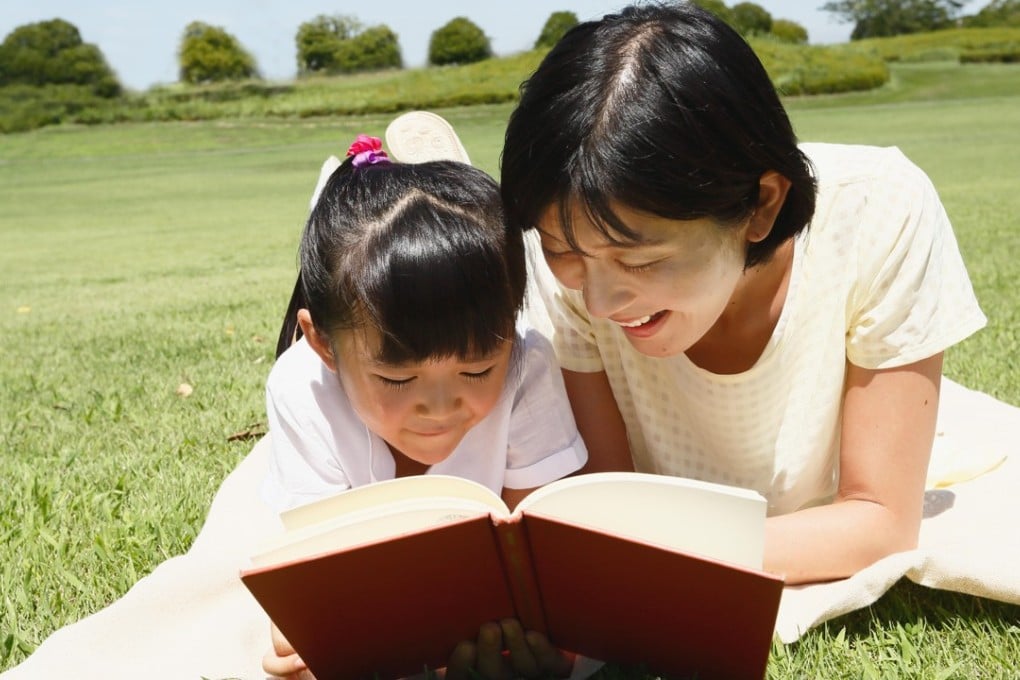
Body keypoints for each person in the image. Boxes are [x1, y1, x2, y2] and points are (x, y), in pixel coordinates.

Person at [500, 2, 987, 586]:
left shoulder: (878, 212)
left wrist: (655, 550)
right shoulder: (565, 250)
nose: (598, 303)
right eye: (564, 251)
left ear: (762, 205)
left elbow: (880, 520)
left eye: (641, 260)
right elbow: (608, 497)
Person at [261, 133, 586, 678]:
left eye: (477, 369)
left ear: (510, 330)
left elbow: (543, 558)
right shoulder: (301, 387)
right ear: (323, 346)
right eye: (397, 377)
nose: (439, 406)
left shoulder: (526, 365)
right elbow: (313, 577)